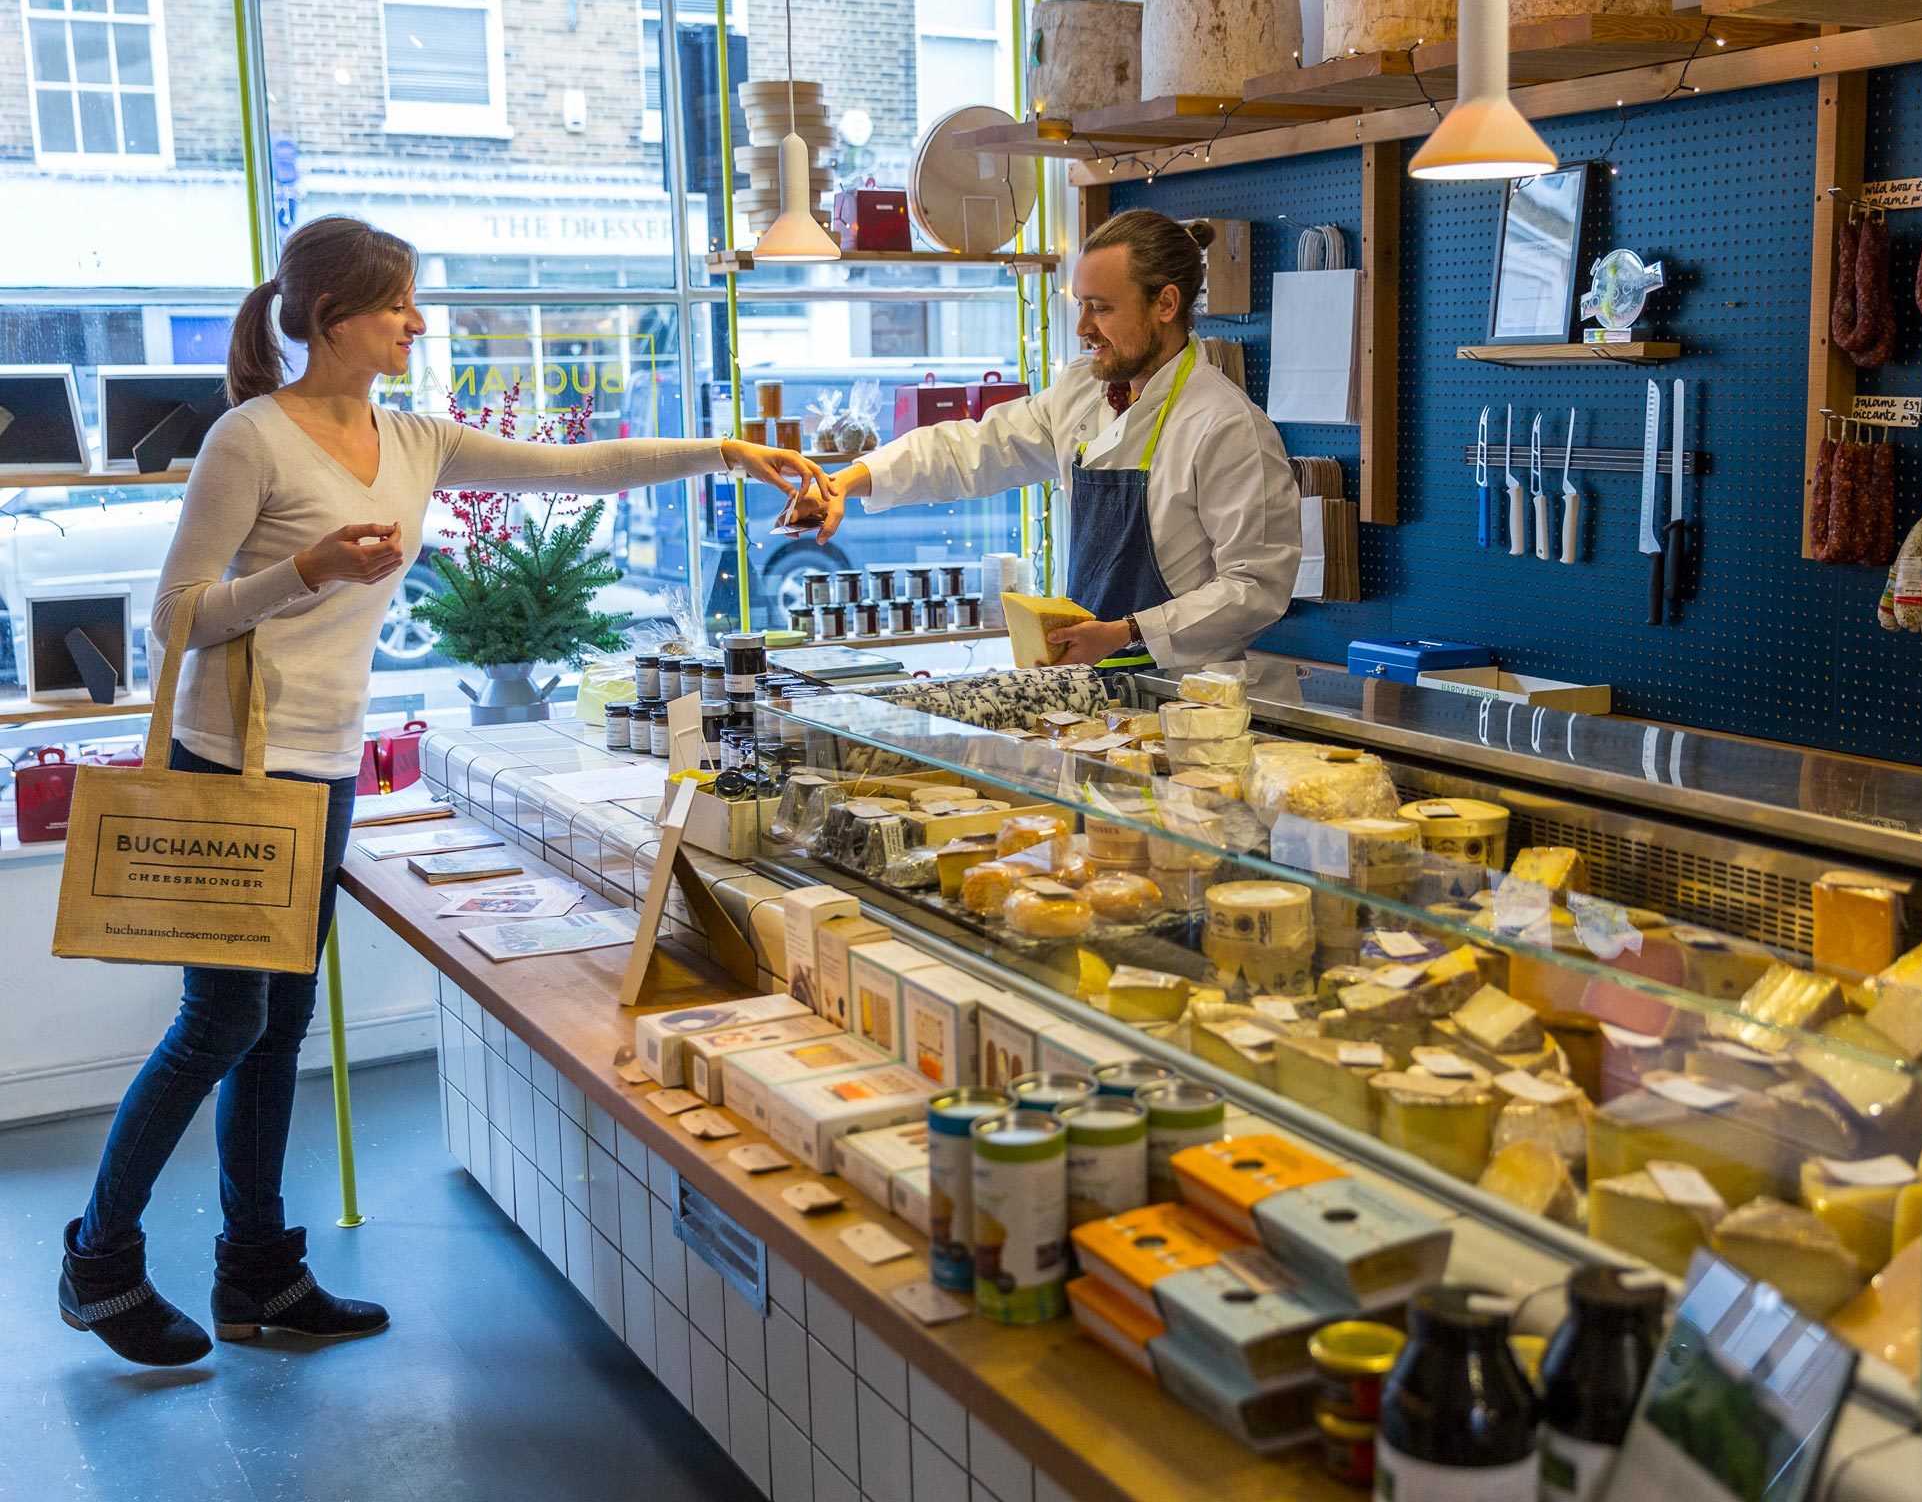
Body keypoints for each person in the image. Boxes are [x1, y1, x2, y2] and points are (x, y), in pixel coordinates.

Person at [59, 215, 820, 1368]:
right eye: (399, 304)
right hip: (228, 763)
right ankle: (99, 1261)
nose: (419, 322)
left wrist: (725, 454)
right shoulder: (248, 440)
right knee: (223, 1021)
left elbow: (576, 467)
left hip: (318, 769)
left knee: (277, 1032)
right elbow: (176, 620)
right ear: (331, 319)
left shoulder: (407, 437)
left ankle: (257, 1274)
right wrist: (305, 570)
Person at [777, 209, 1300, 670]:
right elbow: (973, 449)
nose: (1082, 328)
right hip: (1090, 689)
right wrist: (850, 479)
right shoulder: (1084, 393)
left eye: (1101, 307)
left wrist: (1124, 633)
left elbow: (1254, 589)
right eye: (1080, 305)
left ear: (1165, 304)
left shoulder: (1226, 427)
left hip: (1186, 704)